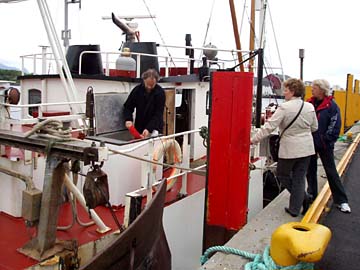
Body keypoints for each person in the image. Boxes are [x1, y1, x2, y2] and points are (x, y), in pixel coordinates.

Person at [251, 78, 318, 217]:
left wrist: (253, 139)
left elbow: (269, 127)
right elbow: (314, 127)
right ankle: (297, 206)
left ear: (292, 91)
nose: (284, 92)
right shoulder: (309, 107)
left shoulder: (285, 107)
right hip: (307, 149)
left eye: (286, 90)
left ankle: (303, 198)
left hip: (290, 149)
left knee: (282, 174)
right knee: (300, 177)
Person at [306, 79, 351, 213]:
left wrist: (325, 140)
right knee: (310, 170)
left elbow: (335, 125)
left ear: (321, 89)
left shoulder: (331, 106)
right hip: (310, 143)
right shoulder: (309, 103)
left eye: (314, 87)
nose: (312, 89)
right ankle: (312, 195)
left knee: (331, 171)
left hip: (324, 144)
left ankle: (342, 200)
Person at [123, 69, 165, 138]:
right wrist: (128, 119)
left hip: (155, 127)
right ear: (144, 80)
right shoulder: (137, 90)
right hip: (139, 126)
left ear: (156, 82)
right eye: (148, 84)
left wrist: (149, 128)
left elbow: (158, 114)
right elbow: (128, 107)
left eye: (152, 85)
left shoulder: (160, 93)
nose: (149, 87)